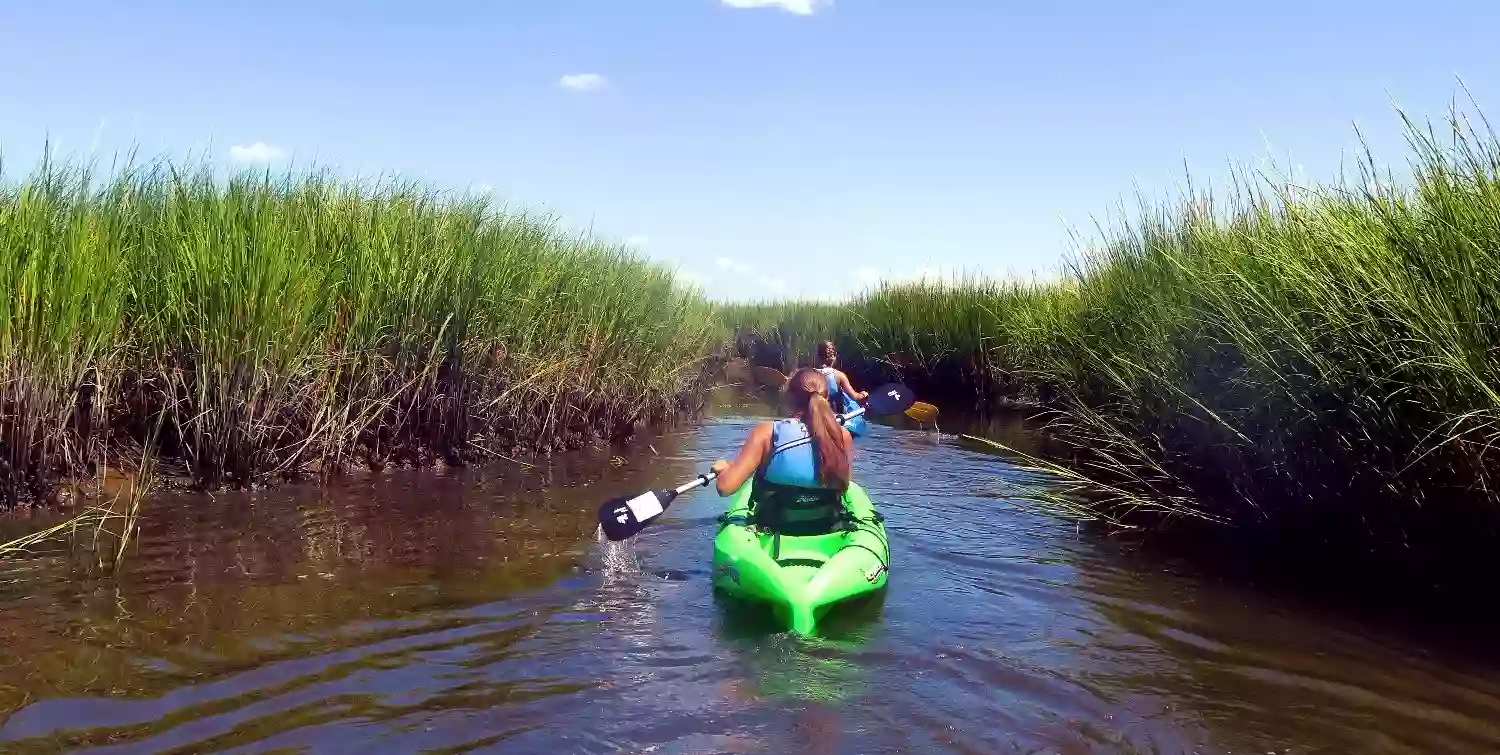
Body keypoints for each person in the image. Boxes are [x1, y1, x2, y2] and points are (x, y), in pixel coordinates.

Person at [710, 367, 854, 535]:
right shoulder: (842, 435)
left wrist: (723, 470)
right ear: (827, 398)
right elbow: (844, 484)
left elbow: (725, 487)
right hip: (826, 528)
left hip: (774, 528)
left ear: (789, 398)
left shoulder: (766, 432)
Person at [814, 340, 867, 415]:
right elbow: (856, 397)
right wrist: (863, 394)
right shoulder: (839, 375)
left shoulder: (811, 374)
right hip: (835, 417)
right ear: (835, 356)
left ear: (819, 356)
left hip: (817, 415)